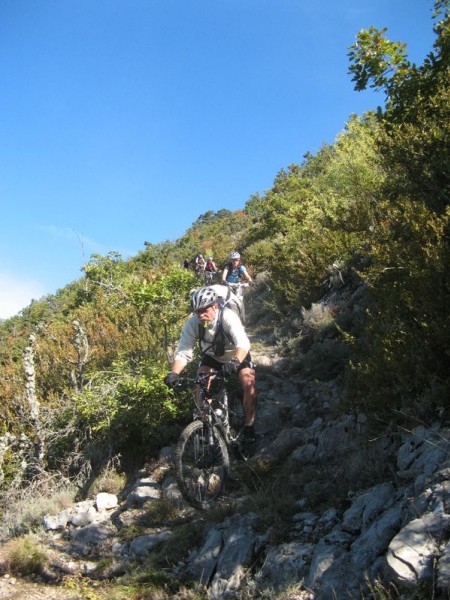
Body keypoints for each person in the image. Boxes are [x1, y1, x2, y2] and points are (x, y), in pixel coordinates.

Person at [164, 286, 257, 442]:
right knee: (201, 381)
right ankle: (204, 424)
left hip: (236, 355)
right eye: (197, 311)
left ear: (215, 306)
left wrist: (235, 361)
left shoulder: (227, 316)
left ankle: (249, 424)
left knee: (248, 382)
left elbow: (243, 342)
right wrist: (174, 373)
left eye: (204, 310)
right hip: (212, 356)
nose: (201, 314)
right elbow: (183, 351)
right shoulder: (193, 324)